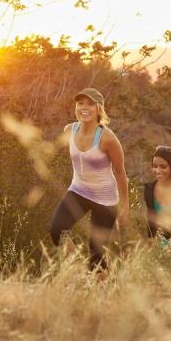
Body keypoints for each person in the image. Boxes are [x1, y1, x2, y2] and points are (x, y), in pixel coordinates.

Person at [49, 88, 129, 271]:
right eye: (80, 103)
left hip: (105, 199)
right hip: (79, 191)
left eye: (90, 104)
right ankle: (75, 266)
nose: (84, 108)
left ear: (99, 109)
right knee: (57, 230)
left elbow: (120, 172)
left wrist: (124, 205)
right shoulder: (69, 130)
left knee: (97, 256)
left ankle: (102, 291)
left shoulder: (108, 139)